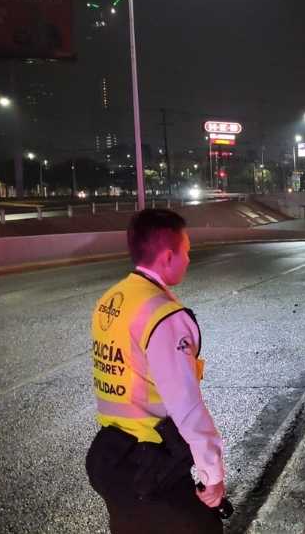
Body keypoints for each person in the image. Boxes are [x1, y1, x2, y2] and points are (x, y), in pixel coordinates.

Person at [86, 209, 225, 533]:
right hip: (148, 463)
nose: (189, 259)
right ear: (167, 256)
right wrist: (212, 475)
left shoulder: (112, 299)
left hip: (110, 457)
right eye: (186, 251)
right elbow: (186, 406)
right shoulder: (163, 316)